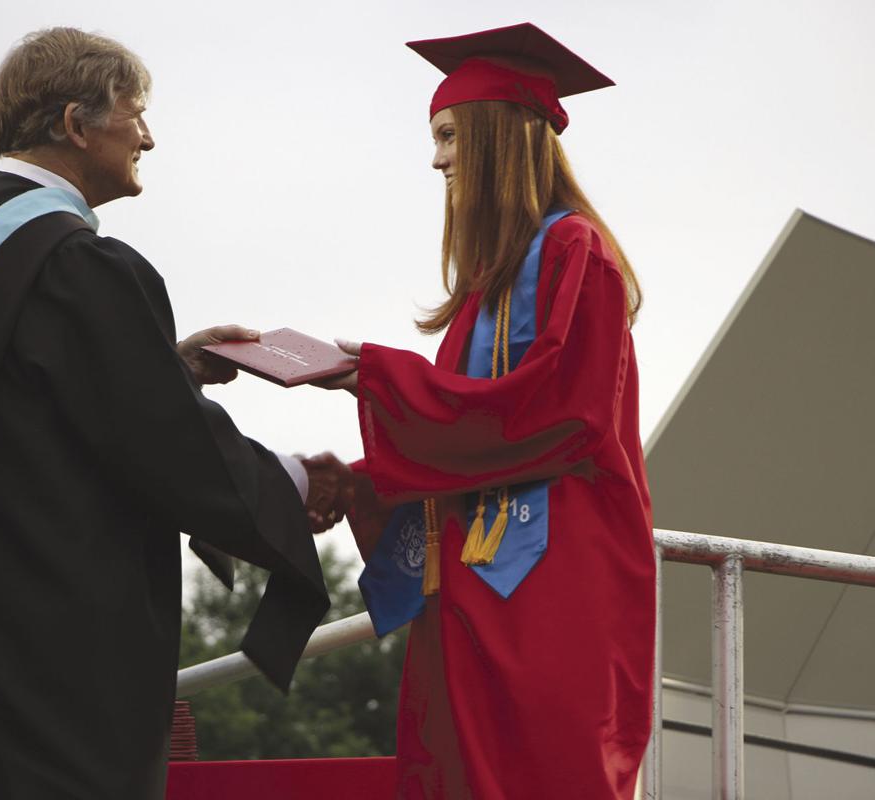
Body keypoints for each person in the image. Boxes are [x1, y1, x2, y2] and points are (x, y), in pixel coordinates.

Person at [0, 27, 353, 798]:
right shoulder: (73, 262)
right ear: (74, 123)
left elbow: (27, 405)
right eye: (135, 112)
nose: (147, 136)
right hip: (49, 660)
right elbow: (166, 449)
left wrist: (169, 365)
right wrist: (292, 482)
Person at [321, 23, 656, 800]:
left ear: (499, 136)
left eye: (448, 135)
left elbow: (554, 417)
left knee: (546, 770)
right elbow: (468, 435)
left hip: (554, 575)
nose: (436, 158)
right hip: (476, 575)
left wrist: (372, 374)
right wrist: (354, 482)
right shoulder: (487, 286)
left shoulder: (578, 254)